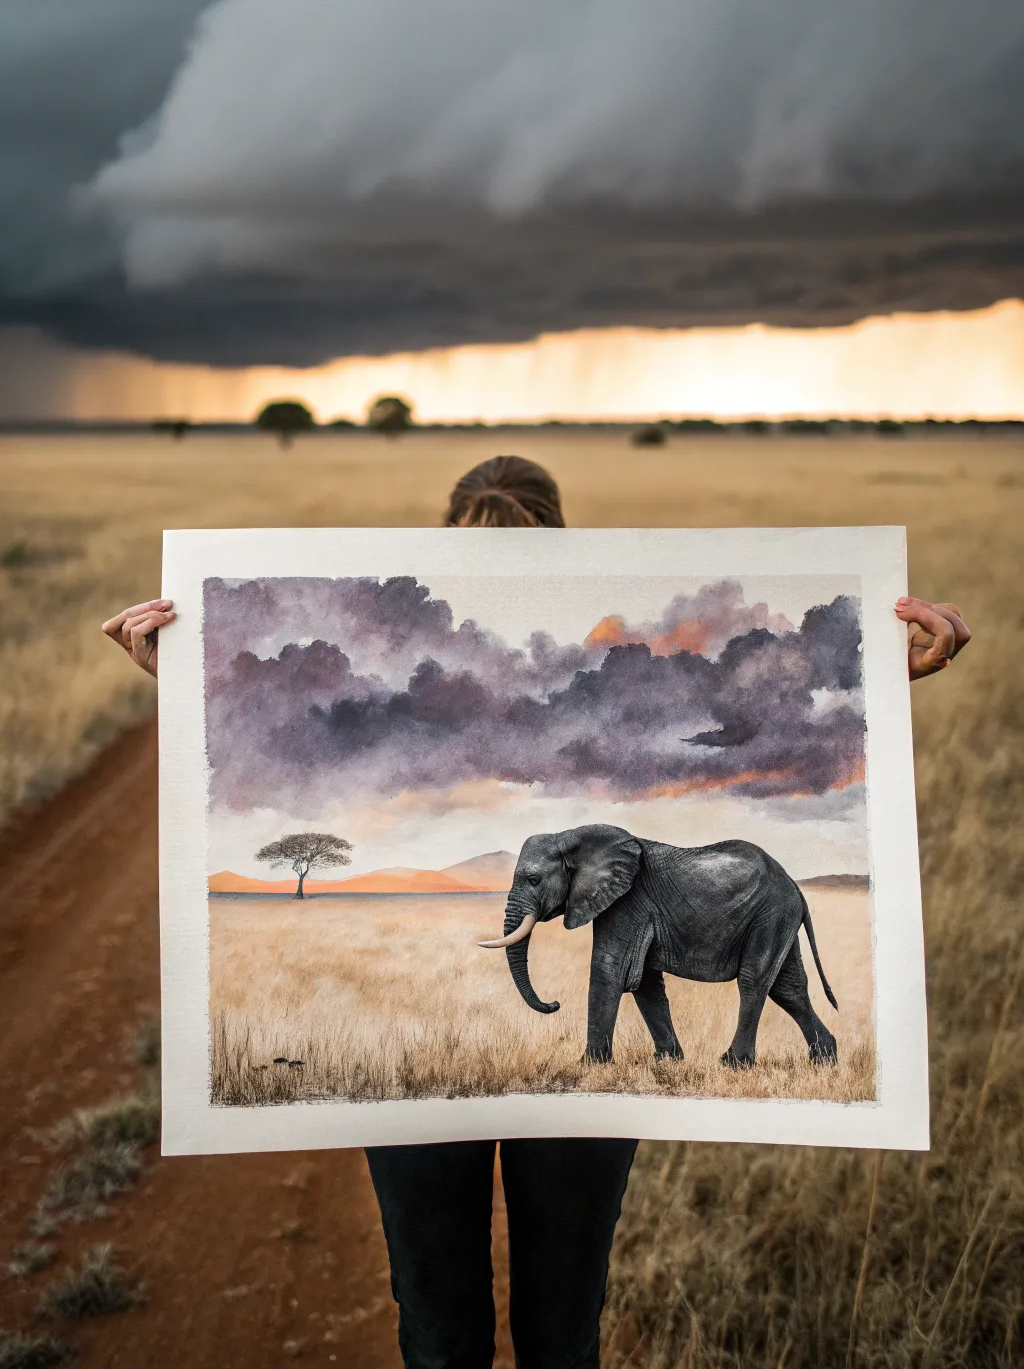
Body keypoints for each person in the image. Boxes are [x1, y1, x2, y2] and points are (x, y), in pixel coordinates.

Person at [102, 452, 971, 1369]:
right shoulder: (450, 691)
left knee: (475, 1328)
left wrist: (870, 672)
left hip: (619, 1009)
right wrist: (210, 680)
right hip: (491, 1083)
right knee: (517, 1329)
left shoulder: (603, 681)